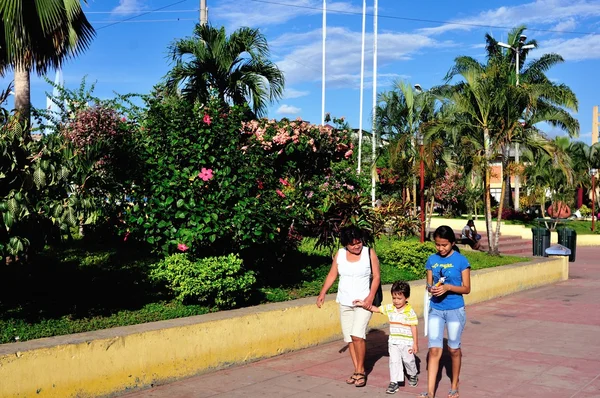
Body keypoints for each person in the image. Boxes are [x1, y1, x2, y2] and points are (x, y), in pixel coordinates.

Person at [316, 226, 381, 388]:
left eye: (359, 242)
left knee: (357, 335)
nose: (357, 246)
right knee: (350, 338)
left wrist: (370, 297)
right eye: (352, 244)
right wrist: (323, 292)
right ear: (346, 244)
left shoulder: (369, 253)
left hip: (364, 303)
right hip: (345, 301)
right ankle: (357, 370)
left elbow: (377, 276)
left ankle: (360, 371)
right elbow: (332, 274)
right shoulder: (340, 254)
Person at [419, 225, 471, 398]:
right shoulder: (431, 260)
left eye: (444, 245)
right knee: (434, 350)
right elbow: (428, 285)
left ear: (452, 243)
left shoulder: (461, 261)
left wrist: (448, 287)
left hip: (455, 310)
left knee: (454, 349)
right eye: (437, 245)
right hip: (436, 309)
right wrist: (431, 288)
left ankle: (454, 385)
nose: (440, 248)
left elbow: (466, 288)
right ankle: (430, 392)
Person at [353, 281, 419, 394]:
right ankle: (394, 382)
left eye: (399, 298)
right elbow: (377, 309)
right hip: (393, 342)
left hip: (406, 342)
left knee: (409, 361)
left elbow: (413, 327)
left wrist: (415, 343)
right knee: (394, 362)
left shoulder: (410, 312)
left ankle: (413, 374)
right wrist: (364, 304)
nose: (396, 301)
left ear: (406, 298)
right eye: (394, 298)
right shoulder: (390, 308)